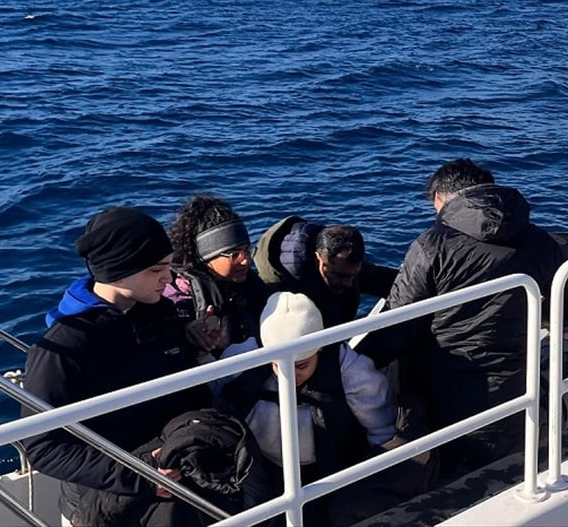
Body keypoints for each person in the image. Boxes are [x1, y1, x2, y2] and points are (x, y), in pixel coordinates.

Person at [356, 157, 568, 478]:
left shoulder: (432, 245)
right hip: (513, 392)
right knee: (498, 476)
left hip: (441, 397)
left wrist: (350, 363)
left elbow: (396, 327)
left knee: (446, 478)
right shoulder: (541, 241)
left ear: (442, 199)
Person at [22, 206, 214, 525]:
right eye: (156, 270)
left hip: (175, 486)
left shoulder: (161, 314)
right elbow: (42, 446)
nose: (168, 279)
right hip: (103, 504)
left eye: (168, 267)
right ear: (119, 271)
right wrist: (138, 474)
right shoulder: (64, 345)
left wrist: (189, 340)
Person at [243, 292, 399, 523]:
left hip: (325, 472)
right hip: (264, 468)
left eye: (301, 365)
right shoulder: (243, 358)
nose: (289, 374)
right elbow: (218, 392)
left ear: (319, 350)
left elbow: (381, 430)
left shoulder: (351, 372)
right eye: (277, 365)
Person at [165, 194, 272, 358]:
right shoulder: (177, 300)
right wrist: (188, 335)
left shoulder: (249, 285)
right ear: (206, 257)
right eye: (234, 255)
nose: (245, 261)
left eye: (246, 251)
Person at [253, 218, 397, 327]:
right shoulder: (279, 289)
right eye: (340, 276)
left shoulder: (342, 266)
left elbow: (392, 282)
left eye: (354, 275)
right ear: (318, 259)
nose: (348, 283)